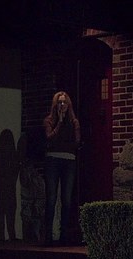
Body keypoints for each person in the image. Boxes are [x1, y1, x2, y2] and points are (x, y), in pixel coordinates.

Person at [42, 91, 81, 245]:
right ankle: (48, 236)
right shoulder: (49, 120)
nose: (62, 105)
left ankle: (64, 235)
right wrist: (59, 123)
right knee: (51, 198)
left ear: (68, 104)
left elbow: (76, 142)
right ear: (55, 104)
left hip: (69, 160)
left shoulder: (74, 122)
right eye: (59, 102)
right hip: (52, 160)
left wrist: (64, 145)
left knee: (67, 199)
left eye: (64, 102)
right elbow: (49, 138)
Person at [0, 128, 21, 241]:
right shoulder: (14, 155)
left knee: (0, 224)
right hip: (10, 191)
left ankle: (1, 243)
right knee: (10, 222)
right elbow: (15, 174)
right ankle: (12, 244)